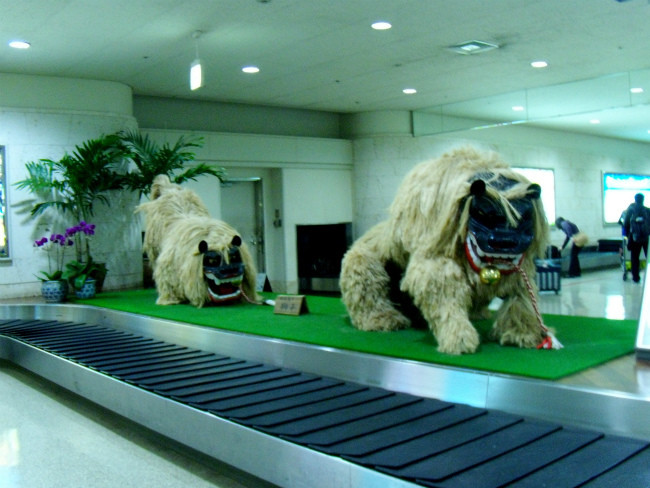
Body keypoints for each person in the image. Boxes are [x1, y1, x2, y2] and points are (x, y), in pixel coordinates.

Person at [623, 193, 650, 283]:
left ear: (635, 199)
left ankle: (635, 277)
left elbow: (626, 224)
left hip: (634, 237)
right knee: (648, 257)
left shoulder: (630, 211)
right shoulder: (647, 210)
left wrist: (627, 235)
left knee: (634, 257)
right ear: (643, 200)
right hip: (646, 238)